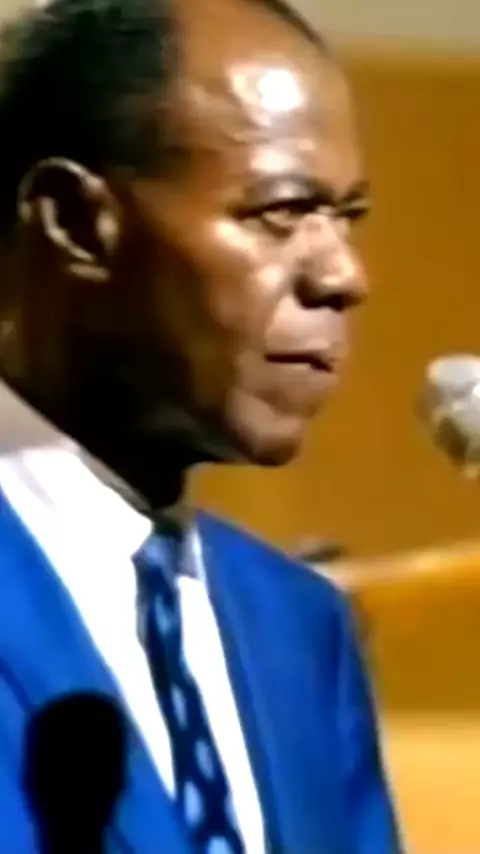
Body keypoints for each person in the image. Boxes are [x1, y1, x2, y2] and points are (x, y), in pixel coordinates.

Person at [0, 0, 401, 852]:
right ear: (76, 223)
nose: (343, 275)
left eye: (348, 217)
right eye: (283, 210)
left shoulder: (302, 629)